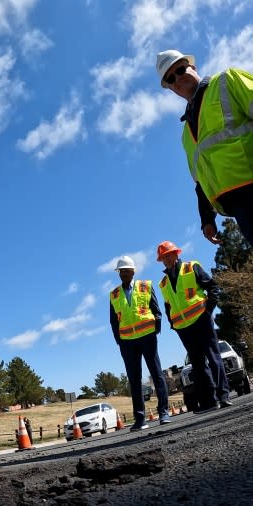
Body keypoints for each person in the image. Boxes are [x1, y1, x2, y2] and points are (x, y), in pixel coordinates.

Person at [155, 50, 253, 245]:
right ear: (171, 89)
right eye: (171, 79)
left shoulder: (227, 82)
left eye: (181, 70)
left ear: (193, 67)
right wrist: (207, 219)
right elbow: (202, 179)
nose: (178, 79)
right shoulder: (186, 134)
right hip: (238, 206)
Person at [156, 241, 230, 412]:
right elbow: (168, 306)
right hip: (183, 328)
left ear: (176, 254)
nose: (166, 259)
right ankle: (210, 402)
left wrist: (208, 311)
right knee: (198, 364)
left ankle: (223, 395)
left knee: (213, 357)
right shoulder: (163, 283)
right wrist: (173, 324)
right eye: (163, 257)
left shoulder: (192, 267)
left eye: (169, 255)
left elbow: (213, 287)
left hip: (201, 320)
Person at [108, 255, 171, 431]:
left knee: (157, 374)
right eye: (121, 272)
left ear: (133, 271)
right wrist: (119, 341)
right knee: (134, 381)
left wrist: (155, 330)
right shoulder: (114, 295)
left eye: (126, 271)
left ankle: (164, 412)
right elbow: (114, 321)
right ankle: (140, 418)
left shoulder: (146, 286)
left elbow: (157, 312)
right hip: (127, 342)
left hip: (147, 337)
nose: (123, 274)